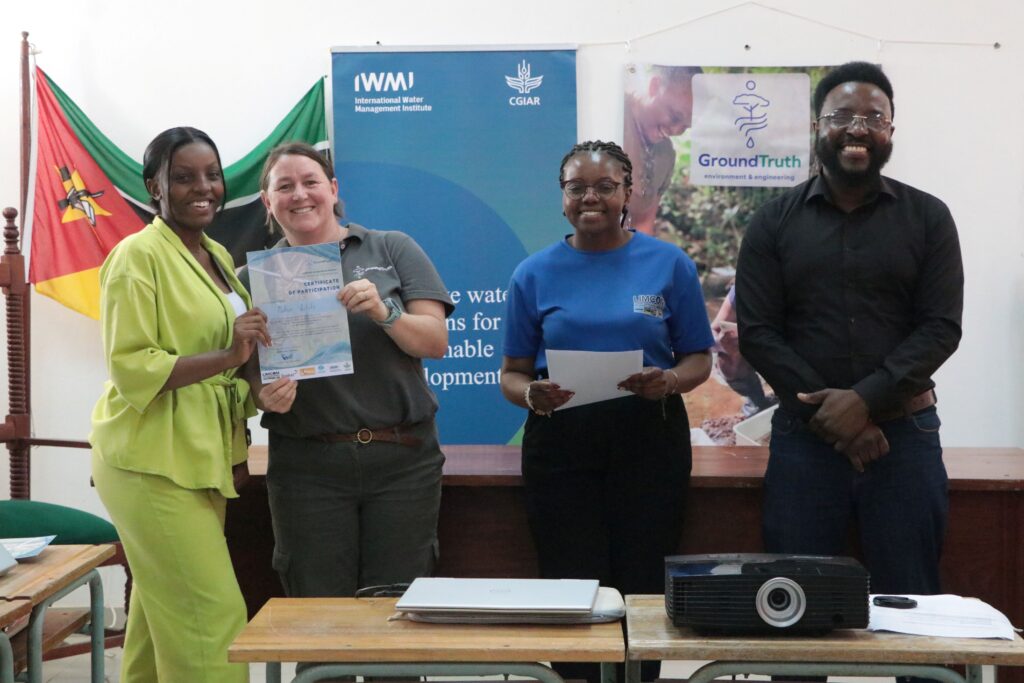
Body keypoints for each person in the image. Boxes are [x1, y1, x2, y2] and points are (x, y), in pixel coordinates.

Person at [736, 62, 964, 597]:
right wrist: (837, 420)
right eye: (842, 115)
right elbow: (759, 334)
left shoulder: (929, 218)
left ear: (890, 130)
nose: (857, 127)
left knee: (914, 610)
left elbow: (940, 328)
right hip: (803, 446)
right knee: (794, 609)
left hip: (904, 441)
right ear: (818, 126)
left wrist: (863, 400)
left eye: (873, 116)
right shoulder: (773, 222)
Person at [500, 140, 713, 683]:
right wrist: (531, 394)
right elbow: (512, 373)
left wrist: (667, 380)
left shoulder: (669, 263)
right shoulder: (533, 273)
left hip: (649, 438)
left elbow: (698, 361)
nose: (590, 197)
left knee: (643, 586)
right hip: (561, 442)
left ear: (627, 191)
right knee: (571, 584)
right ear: (562, 196)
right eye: (577, 188)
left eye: (604, 186)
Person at [90, 127, 271, 683]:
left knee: (158, 619)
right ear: (154, 187)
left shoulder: (215, 253)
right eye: (185, 176)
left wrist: (258, 382)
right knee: (211, 619)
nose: (204, 187)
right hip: (151, 461)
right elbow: (133, 366)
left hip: (200, 457)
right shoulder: (135, 256)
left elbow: (234, 359)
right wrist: (230, 353)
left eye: (212, 175)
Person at [241, 142, 453, 603]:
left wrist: (385, 312)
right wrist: (263, 396)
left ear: (333, 189)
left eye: (311, 182)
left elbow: (435, 342)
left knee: (398, 612)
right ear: (268, 201)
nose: (300, 195)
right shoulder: (252, 278)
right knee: (316, 612)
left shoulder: (392, 248)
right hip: (307, 468)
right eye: (285, 186)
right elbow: (248, 372)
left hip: (403, 463)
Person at [623, 65, 702, 234]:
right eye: (675, 116)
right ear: (654, 87)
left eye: (686, 127)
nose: (675, 131)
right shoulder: (611, 114)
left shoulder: (666, 155)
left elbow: (643, 223)